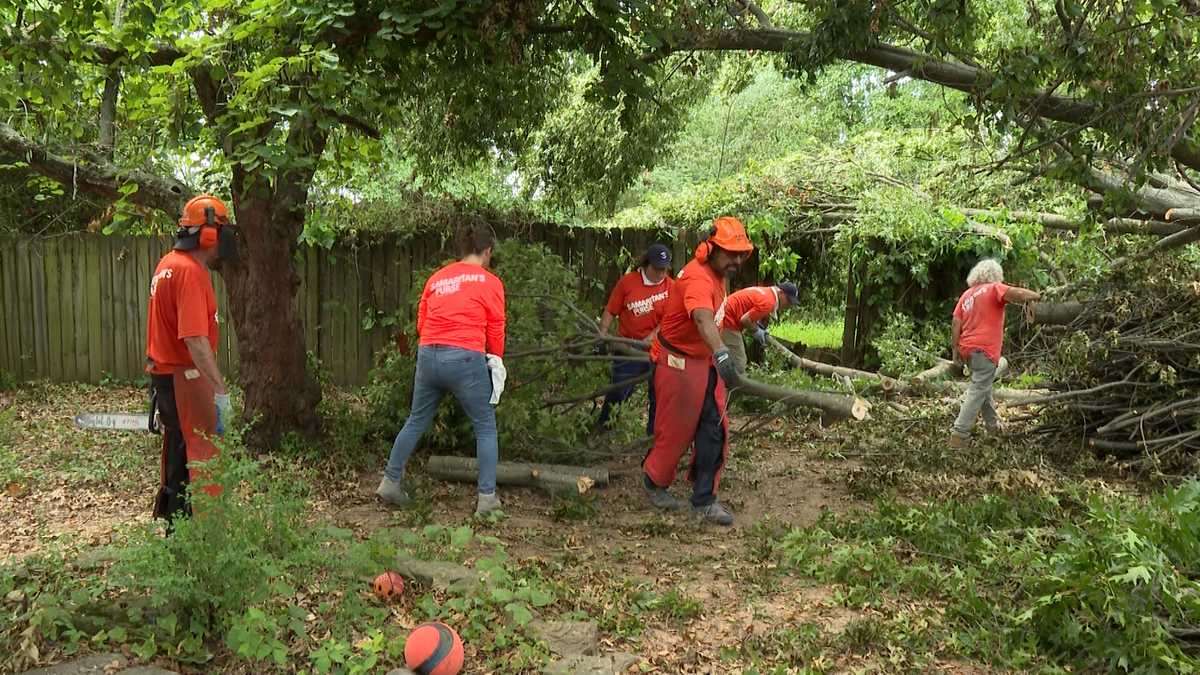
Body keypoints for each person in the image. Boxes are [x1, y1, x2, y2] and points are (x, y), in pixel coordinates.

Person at [377, 221, 508, 516]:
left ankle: (390, 481)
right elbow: (496, 327)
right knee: (485, 427)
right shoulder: (490, 282)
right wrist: (496, 360)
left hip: (428, 355)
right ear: (487, 251)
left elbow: (421, 323)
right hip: (464, 357)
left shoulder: (437, 278)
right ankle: (487, 501)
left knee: (416, 420)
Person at [641, 216, 754, 526]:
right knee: (675, 429)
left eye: (740, 254)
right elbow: (703, 318)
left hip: (701, 362)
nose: (737, 260)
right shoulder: (697, 278)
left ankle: (704, 499)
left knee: (715, 427)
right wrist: (723, 354)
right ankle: (654, 482)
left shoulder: (718, 273)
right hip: (677, 362)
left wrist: (716, 356)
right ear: (710, 249)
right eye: (731, 254)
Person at [146, 194, 238, 527]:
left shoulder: (167, 264)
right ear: (210, 235)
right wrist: (220, 390)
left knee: (178, 454)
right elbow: (196, 341)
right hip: (184, 378)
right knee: (198, 456)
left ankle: (176, 533)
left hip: (167, 376)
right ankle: (193, 534)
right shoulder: (191, 273)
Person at [949, 259, 1040, 446]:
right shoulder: (993, 288)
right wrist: (1036, 296)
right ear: (995, 275)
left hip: (967, 348)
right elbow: (1017, 293)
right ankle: (959, 432)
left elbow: (955, 323)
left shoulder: (967, 295)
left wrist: (955, 348)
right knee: (977, 390)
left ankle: (993, 428)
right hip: (985, 348)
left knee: (984, 388)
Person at [594, 243, 675, 433]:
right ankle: (604, 428)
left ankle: (652, 438)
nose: (661, 273)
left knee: (658, 395)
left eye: (665, 269)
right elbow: (610, 310)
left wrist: (651, 337)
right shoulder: (628, 282)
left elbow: (670, 320)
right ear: (647, 265)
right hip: (628, 347)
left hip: (658, 350)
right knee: (619, 391)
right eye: (657, 269)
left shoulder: (672, 287)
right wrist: (602, 334)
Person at [718, 282, 799, 376]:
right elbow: (745, 320)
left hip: (726, 316)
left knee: (730, 357)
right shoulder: (769, 302)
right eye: (788, 300)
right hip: (727, 321)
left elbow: (748, 313)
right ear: (781, 293)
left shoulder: (767, 293)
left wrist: (756, 326)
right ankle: (733, 388)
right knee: (739, 362)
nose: (788, 305)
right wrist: (757, 331)